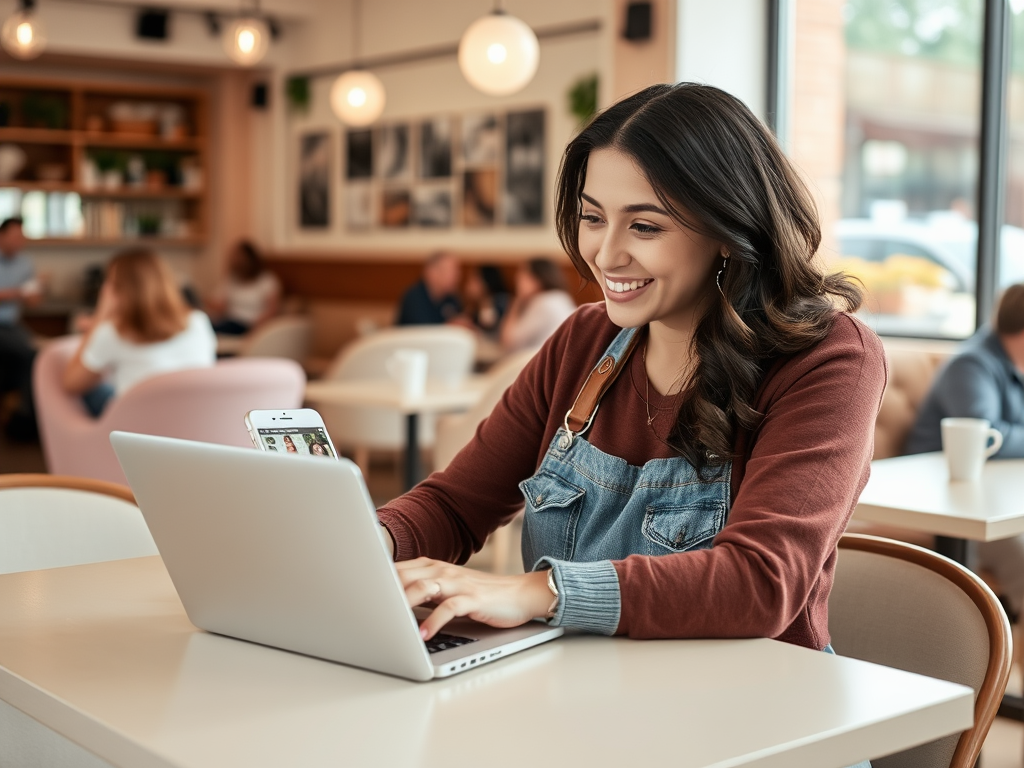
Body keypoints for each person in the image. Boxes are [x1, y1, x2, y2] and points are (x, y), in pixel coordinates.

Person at [374, 81, 886, 697]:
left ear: (728, 228)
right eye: (593, 218)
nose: (606, 254)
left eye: (644, 226)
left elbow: (760, 582)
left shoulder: (829, 358)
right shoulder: (583, 340)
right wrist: (361, 544)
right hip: (588, 701)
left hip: (758, 715)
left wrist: (537, 591)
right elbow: (455, 507)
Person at [905, 283, 1024, 617]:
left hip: (987, 498)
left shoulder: (1016, 368)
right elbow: (987, 438)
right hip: (941, 499)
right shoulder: (972, 364)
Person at [63, 248, 217, 417]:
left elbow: (71, 383)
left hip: (137, 423)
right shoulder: (199, 321)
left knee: (91, 388)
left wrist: (100, 314)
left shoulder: (112, 333)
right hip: (193, 419)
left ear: (116, 290)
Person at [0, 216, 41, 441]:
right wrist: (17, 293)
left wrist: (36, 292)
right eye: (14, 236)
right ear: (2, 236)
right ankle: (25, 416)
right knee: (27, 353)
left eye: (22, 237)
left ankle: (28, 414)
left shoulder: (25, 263)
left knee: (36, 352)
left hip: (13, 325)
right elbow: (18, 293)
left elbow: (32, 301)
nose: (19, 241)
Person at [499, 258, 578, 352]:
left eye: (522, 277)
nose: (518, 282)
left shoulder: (543, 302)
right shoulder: (561, 297)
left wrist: (517, 302)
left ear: (536, 278)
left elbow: (509, 341)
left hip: (542, 359)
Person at [207, 241, 281, 336]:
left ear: (251, 259)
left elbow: (272, 310)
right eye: (234, 257)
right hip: (229, 321)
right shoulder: (231, 280)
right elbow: (220, 305)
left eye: (240, 257)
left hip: (249, 324)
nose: (236, 261)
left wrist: (255, 326)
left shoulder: (267, 281)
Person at [395, 251, 462, 325]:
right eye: (451, 271)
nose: (457, 276)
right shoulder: (414, 298)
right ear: (432, 273)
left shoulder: (451, 298)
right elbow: (422, 329)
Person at [459, 264, 511, 339]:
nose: (468, 284)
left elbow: (489, 328)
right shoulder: (474, 303)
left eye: (474, 280)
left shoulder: (499, 301)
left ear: (485, 282)